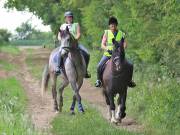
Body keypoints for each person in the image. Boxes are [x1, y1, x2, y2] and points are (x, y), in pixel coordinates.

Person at [95, 16, 136, 87]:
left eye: (114, 25)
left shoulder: (121, 33)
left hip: (119, 55)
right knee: (99, 66)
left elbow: (125, 44)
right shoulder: (106, 33)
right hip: (108, 54)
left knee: (130, 65)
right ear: (109, 26)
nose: (113, 26)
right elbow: (102, 44)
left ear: (116, 25)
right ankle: (98, 80)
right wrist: (107, 48)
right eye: (111, 25)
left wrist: (121, 49)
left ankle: (130, 80)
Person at [56, 11, 91, 78]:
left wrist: (75, 40)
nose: (69, 18)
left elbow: (78, 34)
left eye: (70, 17)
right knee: (60, 52)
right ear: (65, 18)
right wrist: (62, 40)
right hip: (65, 44)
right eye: (67, 17)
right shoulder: (62, 26)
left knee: (87, 53)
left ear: (72, 18)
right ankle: (58, 68)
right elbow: (59, 36)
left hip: (75, 44)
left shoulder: (76, 24)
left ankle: (85, 70)